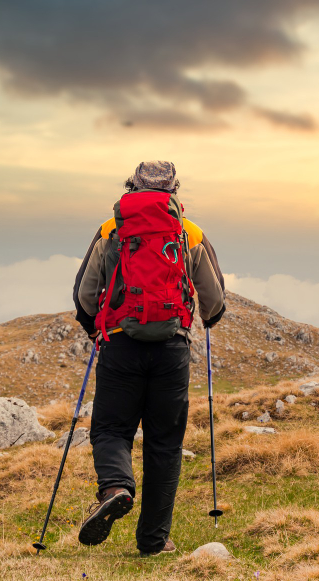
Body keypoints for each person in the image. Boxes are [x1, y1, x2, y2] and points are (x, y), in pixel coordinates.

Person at [72, 160, 226, 556]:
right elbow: (215, 302)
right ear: (174, 190)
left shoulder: (112, 229)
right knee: (164, 445)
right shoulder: (188, 232)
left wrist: (95, 328)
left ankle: (117, 487)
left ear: (131, 187)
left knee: (110, 430)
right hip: (171, 351)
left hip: (121, 345)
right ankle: (153, 541)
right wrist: (204, 320)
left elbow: (84, 296)